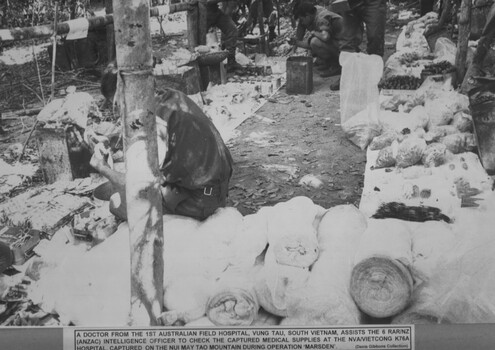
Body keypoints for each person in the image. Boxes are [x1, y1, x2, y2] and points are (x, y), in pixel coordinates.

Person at [90, 63, 234, 222]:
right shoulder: (169, 96)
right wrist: (112, 141)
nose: (117, 111)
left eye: (116, 104)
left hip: (203, 199)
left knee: (116, 203)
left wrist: (103, 168)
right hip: (215, 187)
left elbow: (134, 184)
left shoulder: (151, 121)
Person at [291, 2, 346, 77]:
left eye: (302, 19)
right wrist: (295, 44)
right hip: (338, 41)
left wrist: (314, 32)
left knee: (314, 42)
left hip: (345, 45)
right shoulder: (312, 11)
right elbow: (300, 33)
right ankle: (328, 62)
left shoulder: (321, 18)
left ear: (307, 16)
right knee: (313, 42)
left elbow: (325, 37)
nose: (302, 23)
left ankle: (336, 65)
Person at [207, 1, 242, 72]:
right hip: (203, 11)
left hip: (214, 10)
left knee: (232, 29)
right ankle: (199, 63)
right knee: (201, 40)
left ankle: (231, 61)